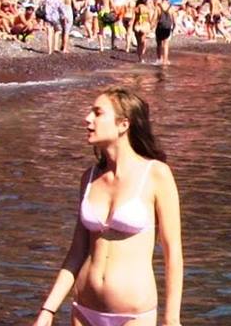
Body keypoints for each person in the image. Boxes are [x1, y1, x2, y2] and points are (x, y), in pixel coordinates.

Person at [32, 88, 182, 326]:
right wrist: (47, 310)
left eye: (97, 113)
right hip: (83, 310)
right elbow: (77, 251)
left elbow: (172, 251)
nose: (87, 118)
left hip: (133, 316)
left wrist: (171, 319)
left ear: (123, 124)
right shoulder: (89, 178)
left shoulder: (156, 174)